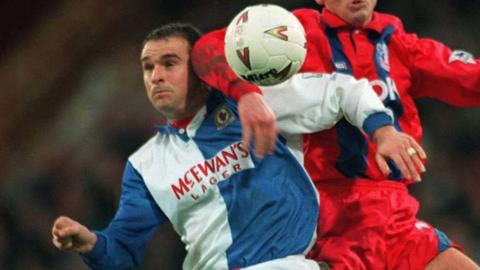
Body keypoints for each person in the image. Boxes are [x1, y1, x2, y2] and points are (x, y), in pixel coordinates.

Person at [51, 22, 416, 270]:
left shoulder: (253, 103)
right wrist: (91, 244)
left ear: (200, 68)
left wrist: (382, 130)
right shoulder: (145, 165)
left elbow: (343, 90)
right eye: (148, 67)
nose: (156, 76)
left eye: (169, 63)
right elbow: (122, 252)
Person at [191, 1, 480, 270]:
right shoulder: (293, 31)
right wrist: (246, 95)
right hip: (325, 218)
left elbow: (471, 79)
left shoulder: (398, 43)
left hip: (394, 215)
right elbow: (207, 48)